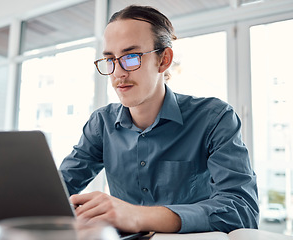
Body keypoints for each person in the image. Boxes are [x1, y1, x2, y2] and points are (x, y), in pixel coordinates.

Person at [59, 5, 259, 234]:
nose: (118, 73)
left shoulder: (214, 118)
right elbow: (58, 190)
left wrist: (138, 216)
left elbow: (242, 210)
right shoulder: (101, 123)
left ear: (164, 59)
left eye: (130, 57)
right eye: (110, 60)